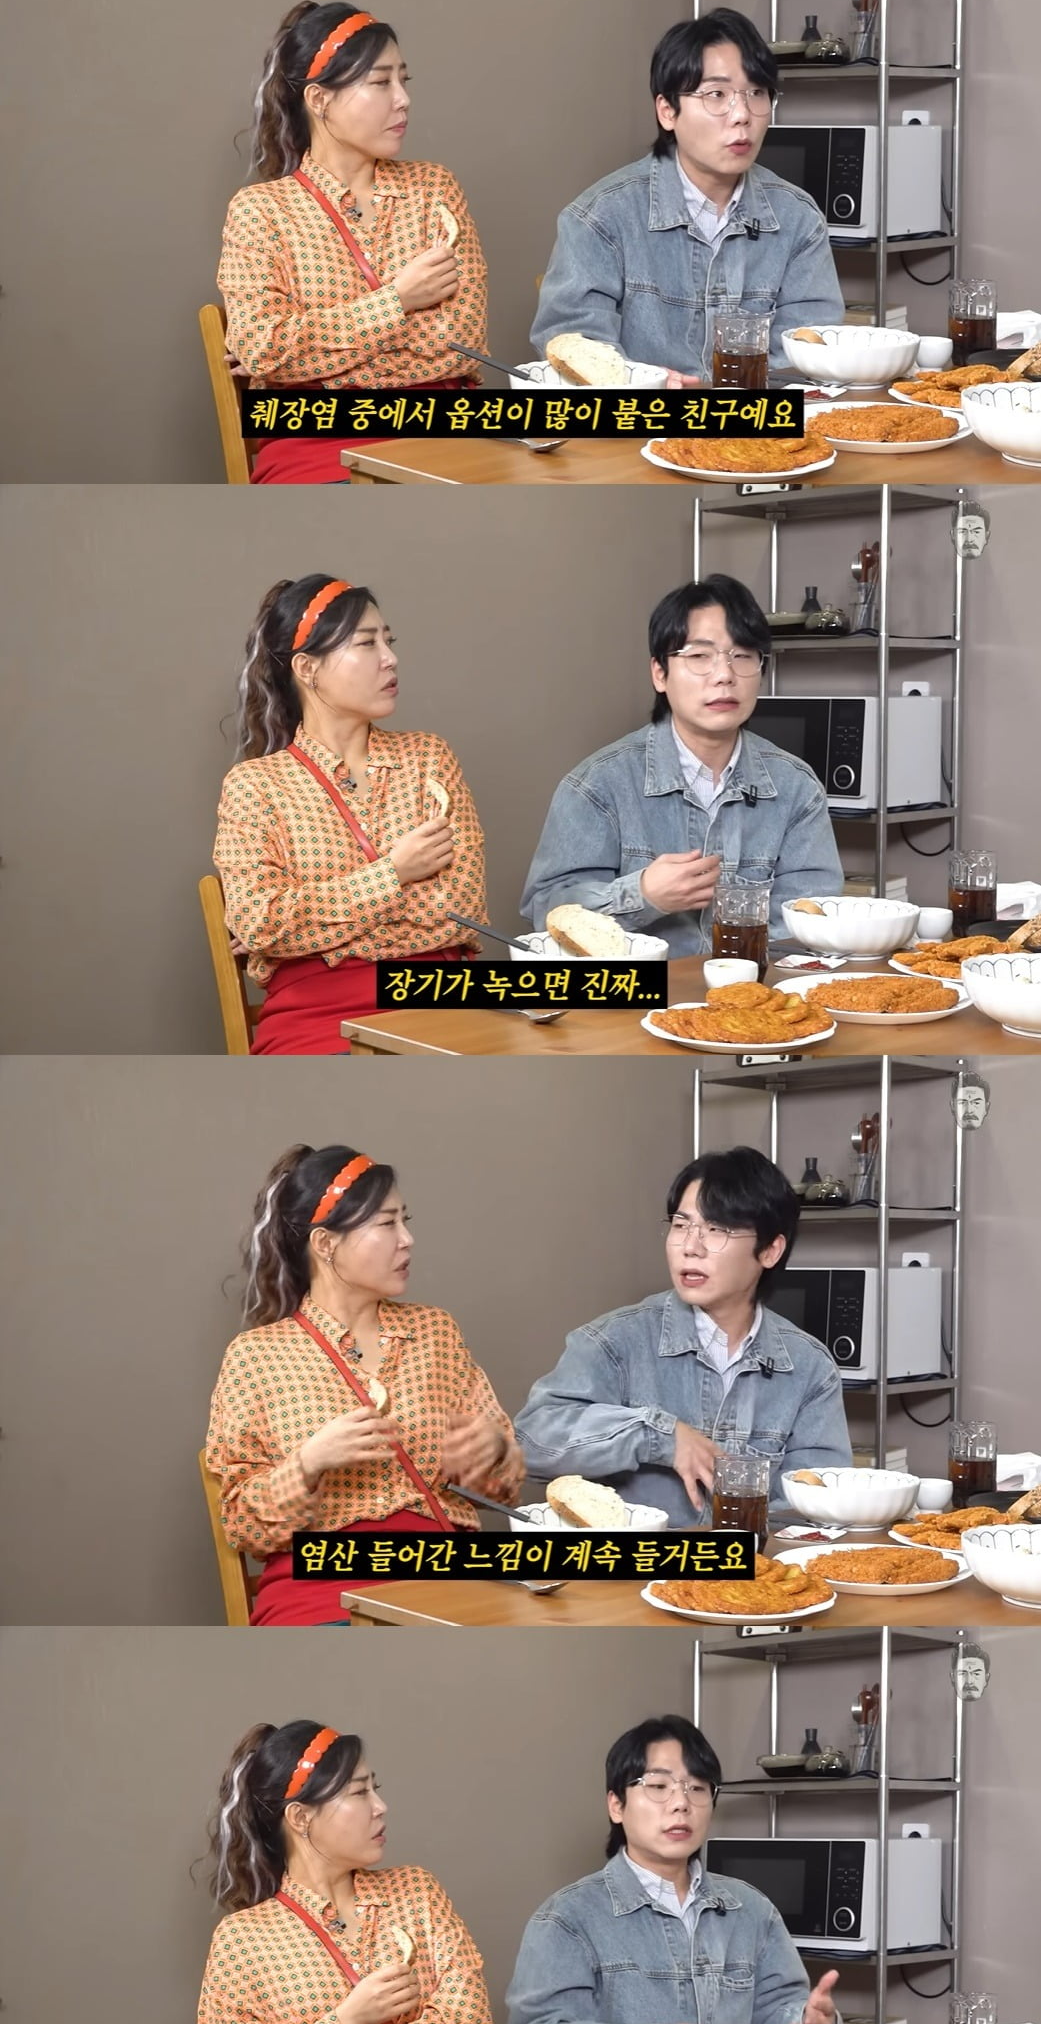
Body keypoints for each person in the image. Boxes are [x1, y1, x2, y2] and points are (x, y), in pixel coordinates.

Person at [206, 1143, 525, 1623]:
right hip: (319, 1594)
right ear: (325, 1244)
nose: (407, 1239)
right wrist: (309, 1463)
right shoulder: (256, 1357)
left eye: (405, 1221)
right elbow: (242, 1525)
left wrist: (495, 1451)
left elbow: (505, 1490)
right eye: (387, 1224)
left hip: (449, 1588)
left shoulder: (436, 1332)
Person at [198, 1719, 493, 2024]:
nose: (380, 1806)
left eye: (376, 1788)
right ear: (300, 1817)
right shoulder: (243, 1940)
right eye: (359, 1792)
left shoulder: (417, 1892)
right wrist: (346, 2021)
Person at [214, 575, 488, 1054]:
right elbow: (262, 922)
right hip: (315, 1015)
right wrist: (395, 873)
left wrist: (312, 930)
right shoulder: (255, 785)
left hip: (439, 1000)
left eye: (389, 641)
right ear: (307, 668)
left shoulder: (428, 758)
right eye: (366, 643)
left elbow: (462, 910)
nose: (390, 658)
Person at [219, 0, 487, 482]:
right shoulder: (260, 210)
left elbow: (462, 342)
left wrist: (309, 364)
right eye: (381, 83)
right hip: (316, 448)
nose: (402, 99)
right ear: (319, 99)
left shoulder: (434, 189)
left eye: (404, 80)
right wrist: (399, 301)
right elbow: (264, 347)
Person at [505, 1714, 841, 2024]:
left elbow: (776, 2017)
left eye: (697, 1788)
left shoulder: (751, 1910)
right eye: (658, 1786)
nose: (681, 1803)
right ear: (616, 1805)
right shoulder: (568, 1918)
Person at [515, 1148, 852, 1525]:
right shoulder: (614, 1342)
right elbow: (529, 1444)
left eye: (717, 1229)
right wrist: (658, 1435)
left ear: (770, 1250)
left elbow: (820, 1503)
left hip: (752, 1562)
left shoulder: (809, 1368)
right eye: (680, 1225)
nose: (690, 1247)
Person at [520, 576, 843, 952]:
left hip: (754, 987)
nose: (724, 675)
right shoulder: (598, 784)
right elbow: (548, 910)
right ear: (660, 673)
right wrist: (643, 895)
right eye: (700, 656)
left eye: (742, 655)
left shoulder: (796, 787)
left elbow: (808, 920)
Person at [530, 9, 843, 382]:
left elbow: (806, 355)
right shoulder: (599, 218)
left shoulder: (799, 219)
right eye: (717, 94)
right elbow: (577, 344)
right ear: (667, 111)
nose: (742, 115)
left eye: (757, 93)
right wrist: (645, 384)